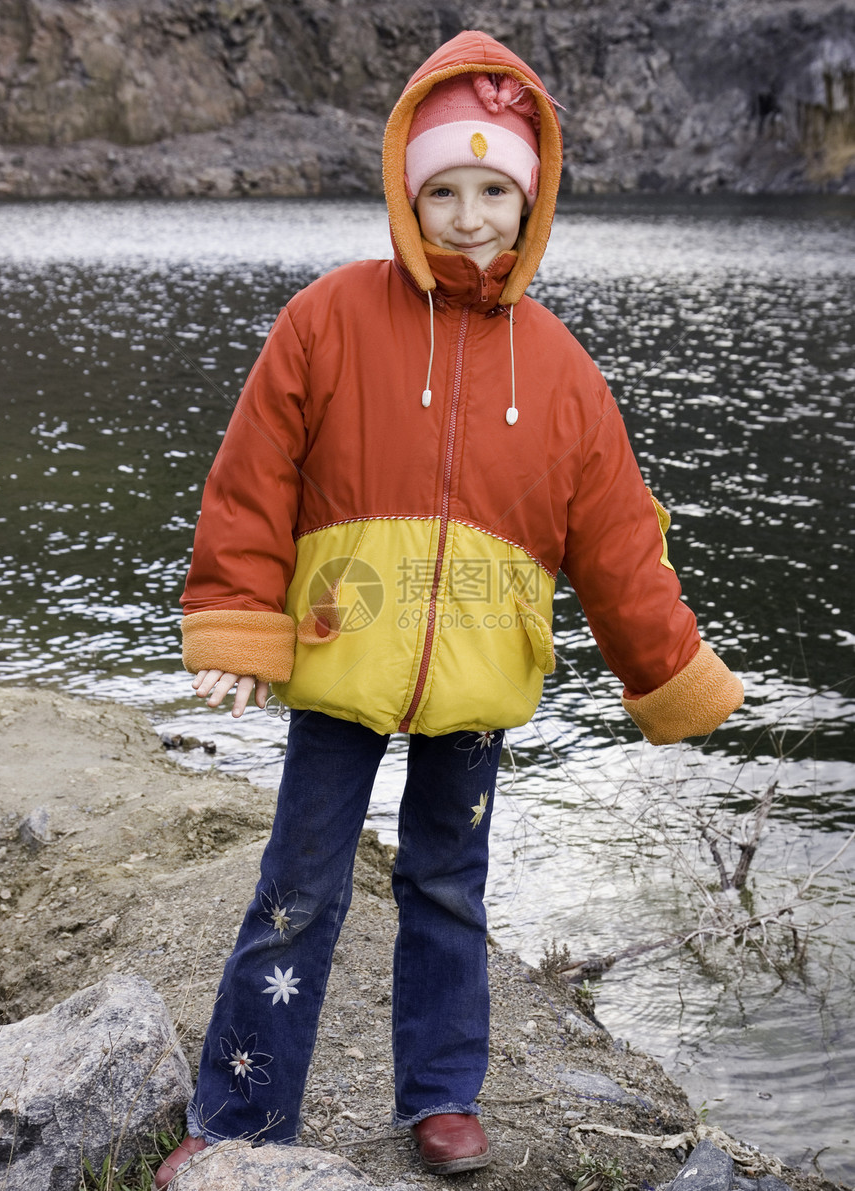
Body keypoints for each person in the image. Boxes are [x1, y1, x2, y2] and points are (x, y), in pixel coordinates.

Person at [155, 28, 744, 1188]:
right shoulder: (327, 320)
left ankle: (440, 1096)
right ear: (404, 192)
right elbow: (252, 477)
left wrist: (667, 673)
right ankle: (240, 1113)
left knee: (444, 886)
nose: (469, 215)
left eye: (493, 190)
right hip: (340, 665)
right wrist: (235, 615)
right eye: (442, 189)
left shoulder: (563, 373)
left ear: (530, 204)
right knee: (299, 887)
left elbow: (619, 542)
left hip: (475, 684)